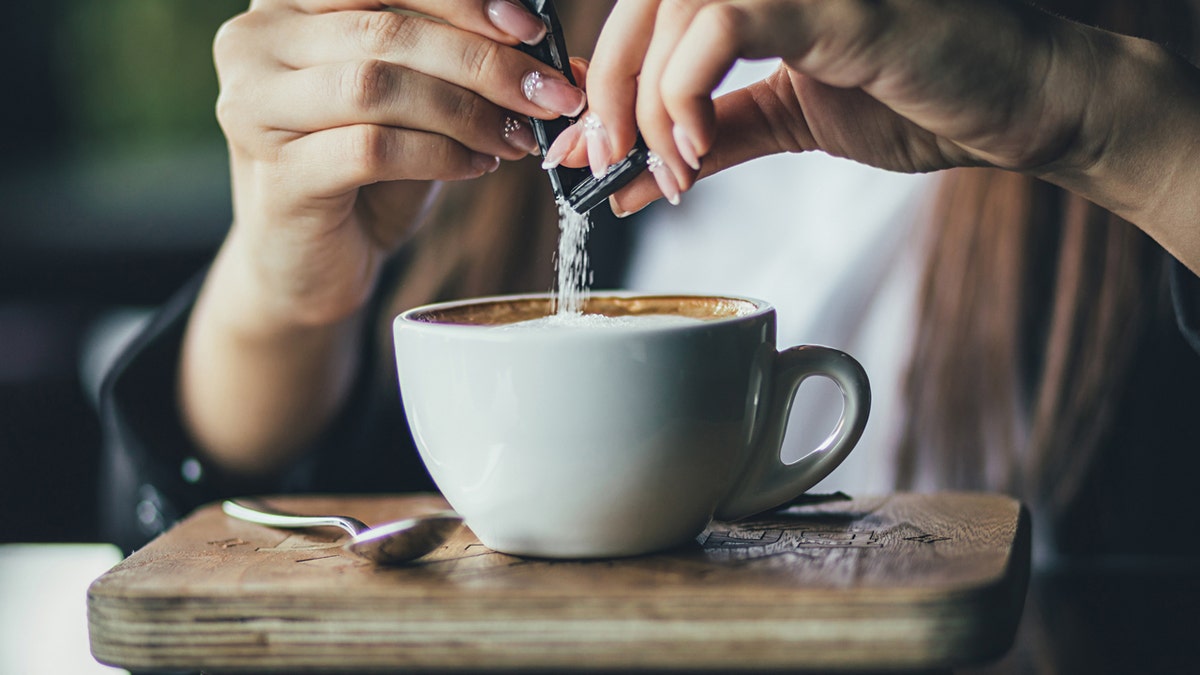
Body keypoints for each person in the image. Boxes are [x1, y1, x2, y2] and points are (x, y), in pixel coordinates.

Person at [100, 0, 1200, 575]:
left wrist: (1114, 127)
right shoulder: (523, 69)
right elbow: (192, 542)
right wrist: (284, 297)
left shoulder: (1122, 69)